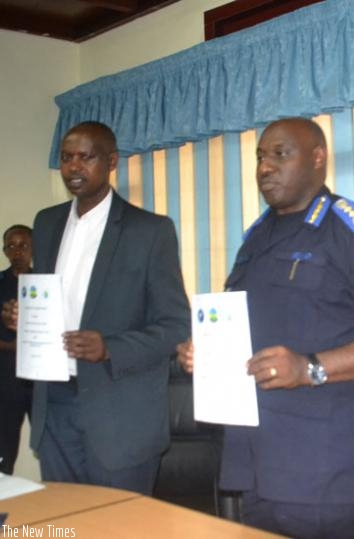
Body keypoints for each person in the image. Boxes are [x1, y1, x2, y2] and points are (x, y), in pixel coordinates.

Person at [177, 117, 354, 539]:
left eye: (280, 154)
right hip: (258, 463)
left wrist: (311, 368)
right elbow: (249, 328)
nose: (265, 167)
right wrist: (204, 350)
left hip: (324, 470)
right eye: (260, 157)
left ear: (317, 157)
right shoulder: (257, 238)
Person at [1, 121, 189, 494]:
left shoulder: (150, 231)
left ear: (111, 161)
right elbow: (56, 302)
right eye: (67, 158)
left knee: (119, 530)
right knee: (66, 525)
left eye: (86, 157)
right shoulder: (47, 222)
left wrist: (110, 348)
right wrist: (26, 318)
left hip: (119, 415)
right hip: (53, 405)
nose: (74, 167)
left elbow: (175, 325)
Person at [0, 224, 33, 474]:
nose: (17, 252)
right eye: (11, 246)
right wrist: (14, 346)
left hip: (40, 379)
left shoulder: (46, 283)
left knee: (49, 444)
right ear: (4, 251)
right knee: (4, 449)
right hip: (6, 378)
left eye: (23, 245)